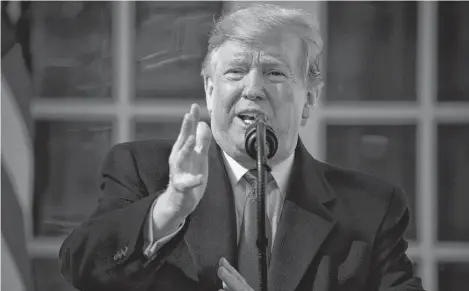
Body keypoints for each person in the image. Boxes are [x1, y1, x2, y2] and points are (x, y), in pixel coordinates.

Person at [59, 4, 425, 291]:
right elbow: (82, 270)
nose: (252, 88)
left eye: (275, 73)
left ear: (310, 99)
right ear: (210, 89)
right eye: (235, 72)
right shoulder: (143, 170)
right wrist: (170, 207)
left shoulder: (371, 209)